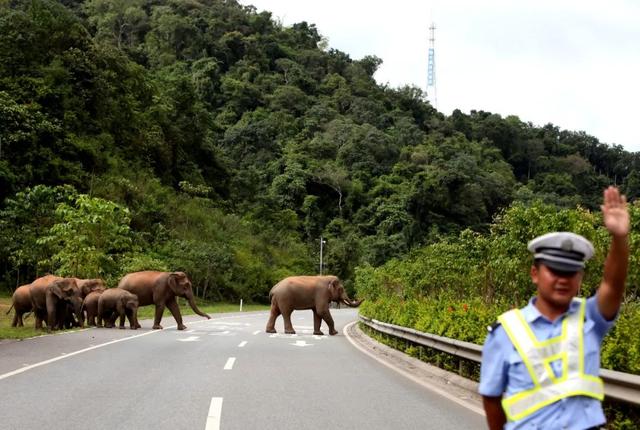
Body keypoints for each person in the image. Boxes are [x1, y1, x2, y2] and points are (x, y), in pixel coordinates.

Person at [479, 186, 630, 430]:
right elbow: (491, 397)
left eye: (571, 272)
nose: (563, 279)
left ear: (580, 278)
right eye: (555, 270)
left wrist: (619, 238)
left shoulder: (590, 317)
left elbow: (613, 284)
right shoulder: (505, 331)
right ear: (535, 274)